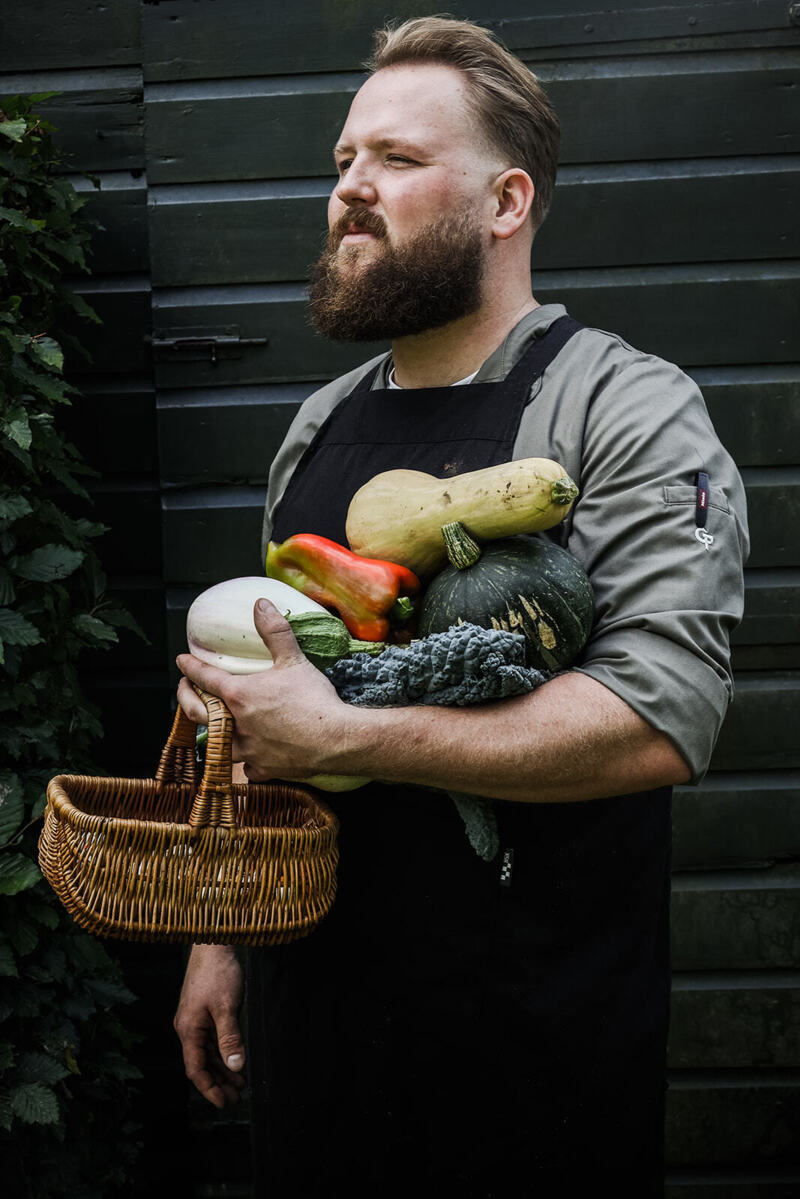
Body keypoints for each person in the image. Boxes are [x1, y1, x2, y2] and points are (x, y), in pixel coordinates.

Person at [173, 16, 748, 1196]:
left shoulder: (623, 408)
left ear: (505, 201)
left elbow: (660, 716)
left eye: (395, 158)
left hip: (532, 1036)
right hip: (317, 1022)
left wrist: (350, 735)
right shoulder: (318, 426)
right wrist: (217, 928)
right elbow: (264, 706)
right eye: (341, 162)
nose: (349, 190)